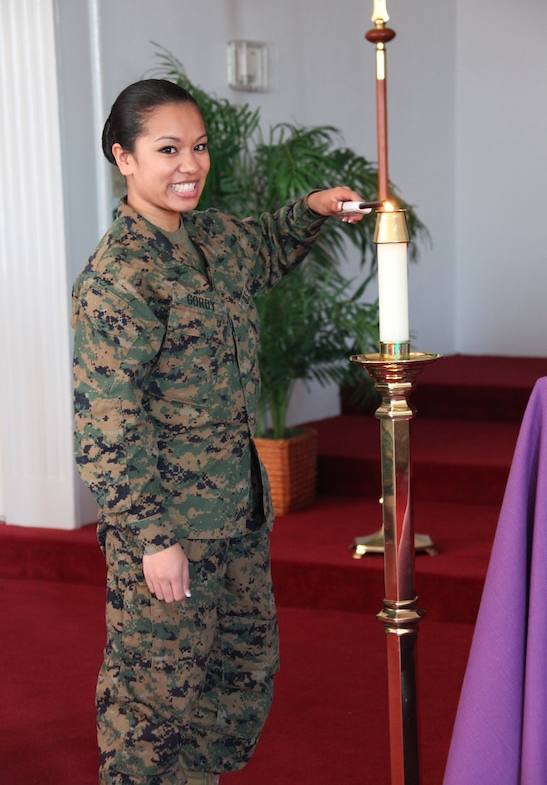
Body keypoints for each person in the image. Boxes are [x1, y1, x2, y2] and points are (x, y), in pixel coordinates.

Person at [72, 78, 365, 785]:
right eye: (167, 149)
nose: (190, 165)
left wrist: (313, 208)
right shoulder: (119, 280)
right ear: (124, 158)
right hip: (172, 526)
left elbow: (266, 245)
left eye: (198, 147)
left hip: (235, 511)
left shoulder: (212, 239)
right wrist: (153, 538)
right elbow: (107, 425)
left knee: (241, 673)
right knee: (154, 699)